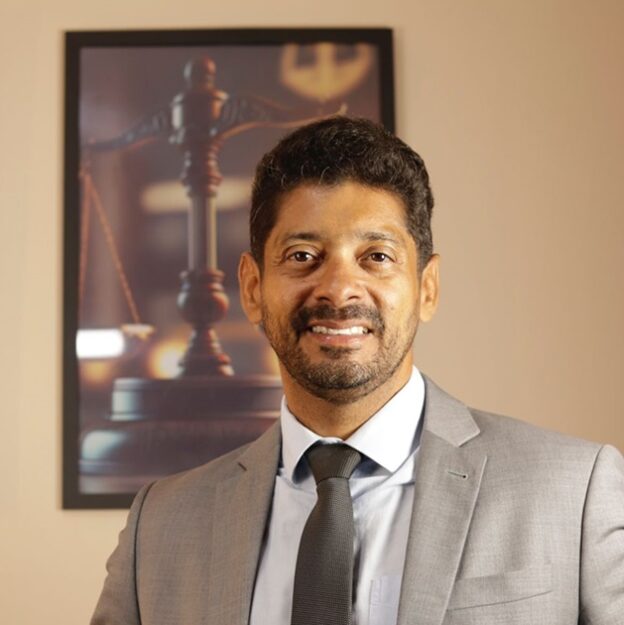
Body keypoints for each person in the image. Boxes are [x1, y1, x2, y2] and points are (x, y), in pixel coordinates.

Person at [91, 116, 624, 625]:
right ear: (252, 289)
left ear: (427, 288)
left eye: (377, 257)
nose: (339, 289)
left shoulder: (574, 491)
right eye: (303, 256)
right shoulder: (159, 526)